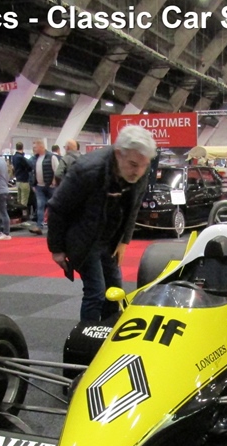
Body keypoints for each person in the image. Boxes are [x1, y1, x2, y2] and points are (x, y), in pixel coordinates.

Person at [47, 125, 155, 322]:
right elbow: (57, 208)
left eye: (143, 165)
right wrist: (56, 249)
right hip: (83, 238)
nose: (138, 171)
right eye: (133, 164)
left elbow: (133, 208)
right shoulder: (87, 169)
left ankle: (110, 332)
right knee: (96, 292)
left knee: (115, 290)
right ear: (119, 154)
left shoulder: (140, 169)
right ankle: (87, 336)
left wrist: (124, 241)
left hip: (110, 238)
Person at [29, 140, 58, 235]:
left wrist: (54, 180)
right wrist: (33, 184)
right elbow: (33, 172)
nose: (34, 149)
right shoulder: (35, 158)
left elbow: (57, 170)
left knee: (52, 206)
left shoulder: (52, 157)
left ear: (41, 147)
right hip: (39, 186)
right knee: (40, 205)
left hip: (50, 186)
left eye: (35, 147)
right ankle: (39, 226)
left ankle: (53, 225)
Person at [11, 141, 31, 218]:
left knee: (19, 201)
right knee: (24, 201)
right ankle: (23, 217)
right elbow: (29, 167)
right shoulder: (21, 158)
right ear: (22, 147)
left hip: (18, 181)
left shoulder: (14, 157)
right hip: (24, 181)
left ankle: (18, 216)